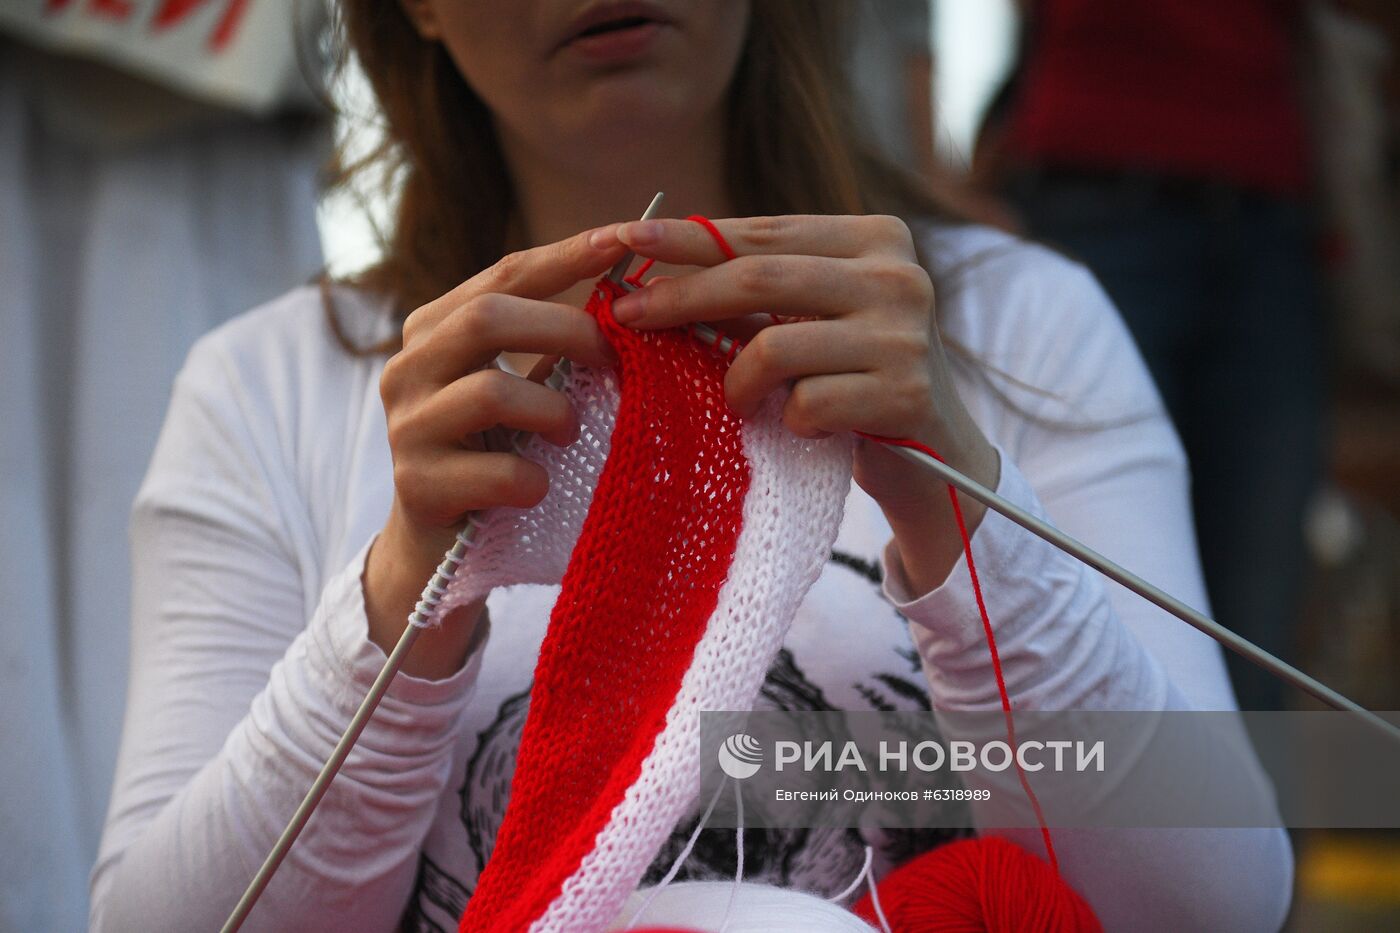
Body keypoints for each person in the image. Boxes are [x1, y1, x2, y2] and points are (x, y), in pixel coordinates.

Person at [90, 2, 1291, 931]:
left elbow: (1216, 904)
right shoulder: (266, 384)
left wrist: (958, 502)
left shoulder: (1020, 325)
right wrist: (403, 590)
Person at [977, 0, 1327, 712]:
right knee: (1100, 615)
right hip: (1093, 190)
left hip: (1269, 207)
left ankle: (1237, 819)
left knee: (1257, 619)